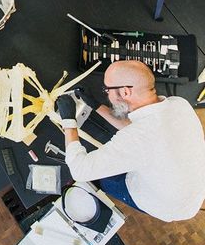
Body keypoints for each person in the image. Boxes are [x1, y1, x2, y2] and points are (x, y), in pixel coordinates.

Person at [55, 60, 205, 222]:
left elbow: (80, 170)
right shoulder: (179, 104)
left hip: (168, 206)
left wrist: (68, 120)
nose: (107, 94)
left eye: (107, 89)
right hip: (192, 186)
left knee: (103, 180)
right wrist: (96, 105)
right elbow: (137, 128)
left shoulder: (138, 139)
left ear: (125, 92)